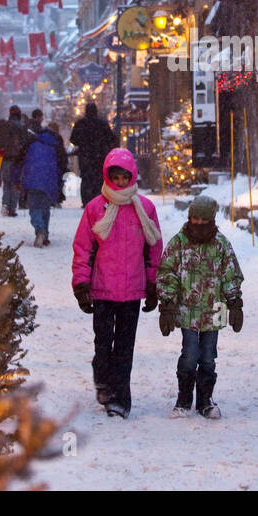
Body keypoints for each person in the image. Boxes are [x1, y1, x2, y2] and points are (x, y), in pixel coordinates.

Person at [71, 148, 163, 418]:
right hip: (102, 289)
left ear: (132, 176)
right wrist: (81, 285)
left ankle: (120, 398)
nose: (121, 182)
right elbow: (83, 248)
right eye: (116, 177)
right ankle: (103, 381)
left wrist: (152, 283)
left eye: (125, 177)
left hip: (132, 291)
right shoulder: (95, 208)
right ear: (108, 176)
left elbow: (153, 248)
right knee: (103, 343)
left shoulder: (145, 209)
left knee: (124, 347)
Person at [156, 195, 242, 419]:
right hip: (187, 312)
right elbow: (167, 273)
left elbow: (230, 274)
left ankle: (205, 400)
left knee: (207, 357)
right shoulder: (179, 243)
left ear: (211, 220)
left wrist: (235, 303)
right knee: (189, 354)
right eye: (195, 219)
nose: (199, 225)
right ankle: (184, 399)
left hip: (215, 312)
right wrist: (166, 304)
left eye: (204, 221)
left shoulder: (221, 244)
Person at [21, 121, 66, 247]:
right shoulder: (56, 145)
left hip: (32, 178)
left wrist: (18, 180)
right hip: (49, 180)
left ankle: (39, 229)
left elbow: (20, 160)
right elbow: (62, 164)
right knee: (45, 209)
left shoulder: (32, 142)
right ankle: (45, 235)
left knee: (34, 208)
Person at [70, 103, 119, 206]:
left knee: (86, 179)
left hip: (85, 156)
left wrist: (83, 143)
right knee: (99, 179)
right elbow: (110, 138)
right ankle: (98, 200)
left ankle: (86, 202)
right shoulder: (102, 124)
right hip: (99, 156)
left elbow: (73, 139)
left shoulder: (80, 124)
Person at [0, 106, 31, 217]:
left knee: (6, 184)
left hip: (5, 159)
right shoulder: (21, 128)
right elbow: (26, 143)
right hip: (17, 159)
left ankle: (5, 204)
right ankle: (12, 207)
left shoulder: (3, 127)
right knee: (15, 184)